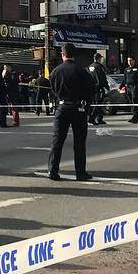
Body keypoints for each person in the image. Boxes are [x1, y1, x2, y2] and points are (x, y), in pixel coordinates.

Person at [46, 43, 96, 181]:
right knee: (79, 142)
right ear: (75, 55)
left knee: (57, 141)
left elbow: (53, 90)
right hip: (78, 108)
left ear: (62, 54)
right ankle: (80, 173)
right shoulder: (81, 71)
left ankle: (53, 171)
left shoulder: (56, 71)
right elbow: (91, 89)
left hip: (62, 107)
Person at [87, 53, 109, 125]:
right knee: (98, 104)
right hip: (99, 88)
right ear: (99, 58)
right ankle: (92, 118)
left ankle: (99, 118)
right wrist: (106, 87)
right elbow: (102, 78)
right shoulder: (99, 66)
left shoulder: (90, 66)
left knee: (95, 103)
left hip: (91, 88)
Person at [123, 56, 138, 124]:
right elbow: (124, 78)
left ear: (134, 61)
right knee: (131, 102)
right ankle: (134, 116)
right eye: (128, 60)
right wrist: (123, 86)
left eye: (131, 60)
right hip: (128, 87)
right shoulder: (126, 69)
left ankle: (135, 117)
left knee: (135, 100)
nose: (129, 62)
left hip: (135, 87)